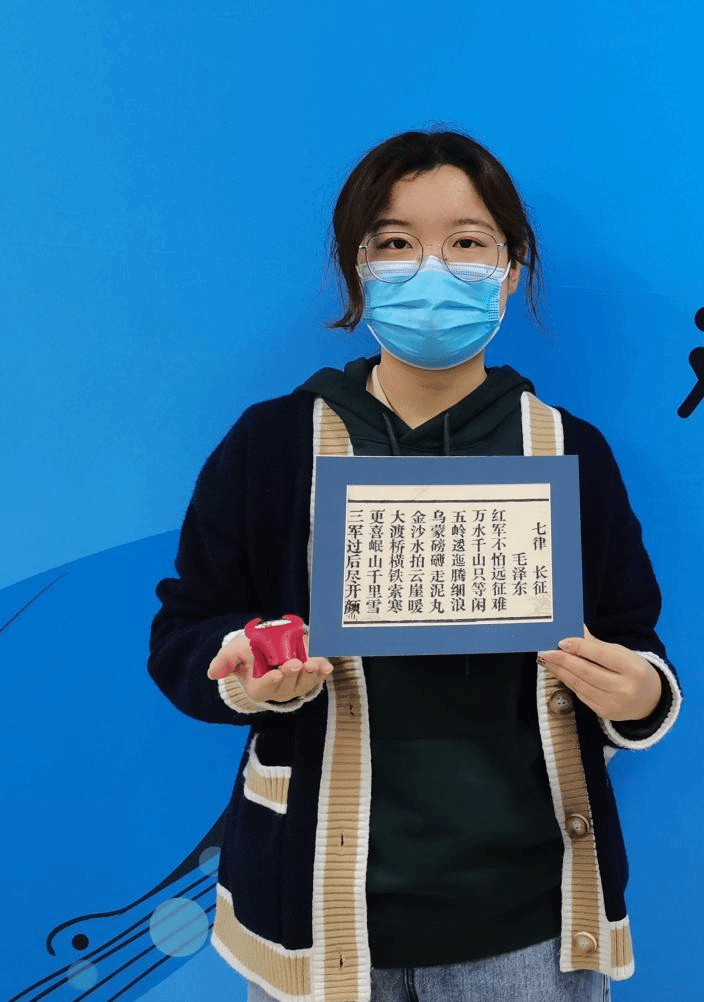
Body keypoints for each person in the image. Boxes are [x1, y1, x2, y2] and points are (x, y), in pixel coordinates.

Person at [148, 130, 682, 1002]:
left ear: (510, 269)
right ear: (357, 269)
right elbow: (183, 633)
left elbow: (637, 642)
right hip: (313, 915)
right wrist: (243, 667)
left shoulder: (569, 452)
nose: (432, 269)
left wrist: (638, 696)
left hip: (527, 922)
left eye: (467, 241)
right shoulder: (271, 446)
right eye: (395, 243)